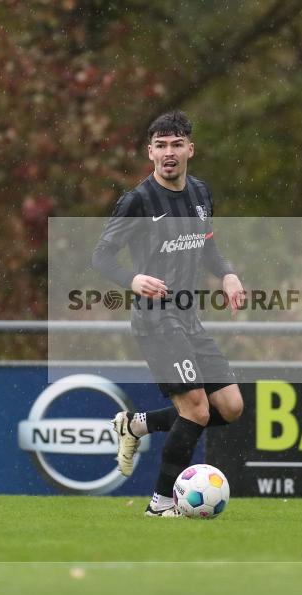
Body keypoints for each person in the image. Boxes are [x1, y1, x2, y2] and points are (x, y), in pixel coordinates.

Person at [92, 111, 245, 517]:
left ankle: (136, 424)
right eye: (160, 146)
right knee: (196, 408)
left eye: (176, 144)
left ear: (190, 149)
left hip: (188, 317)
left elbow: (208, 245)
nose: (168, 153)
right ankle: (160, 505)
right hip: (154, 317)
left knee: (229, 407)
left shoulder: (199, 193)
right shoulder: (138, 201)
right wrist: (133, 279)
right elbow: (102, 255)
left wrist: (227, 275)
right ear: (150, 153)